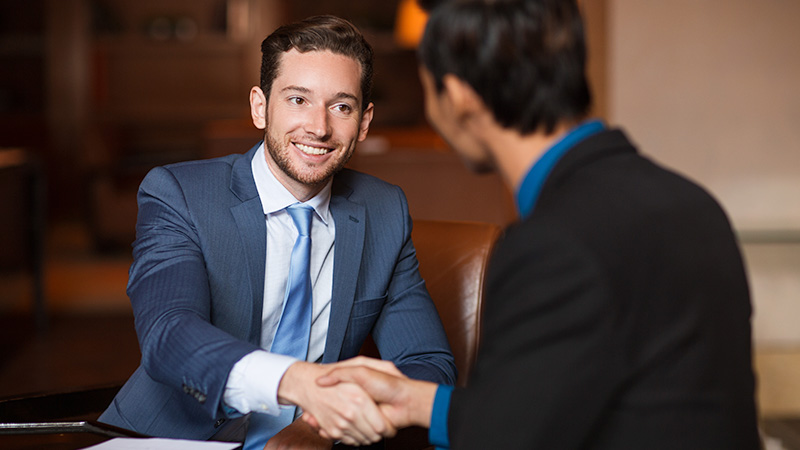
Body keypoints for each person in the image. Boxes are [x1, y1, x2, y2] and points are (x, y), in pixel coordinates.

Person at [310, 0, 761, 448]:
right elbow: (572, 404)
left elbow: (511, 440)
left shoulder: (554, 244)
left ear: (461, 95)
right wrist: (421, 403)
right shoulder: (693, 204)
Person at [98, 15, 456, 449]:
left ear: (363, 121)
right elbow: (168, 334)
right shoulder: (180, 194)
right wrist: (297, 382)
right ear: (260, 107)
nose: (319, 127)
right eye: (298, 100)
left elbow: (427, 363)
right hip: (171, 438)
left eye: (341, 106)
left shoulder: (385, 211)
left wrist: (318, 424)